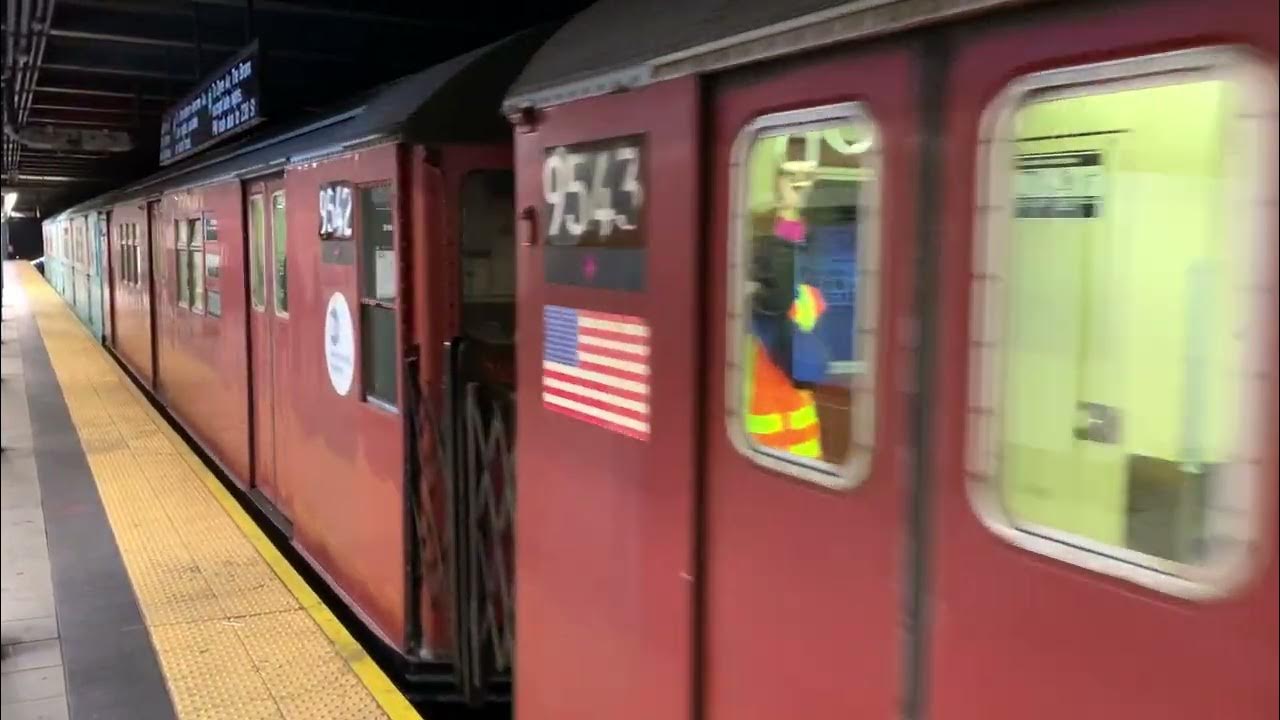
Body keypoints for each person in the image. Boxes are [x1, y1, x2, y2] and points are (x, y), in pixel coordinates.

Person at [743, 155, 831, 460]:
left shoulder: (810, 284)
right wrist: (789, 209)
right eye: (789, 176)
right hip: (763, 442)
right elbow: (777, 290)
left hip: (803, 445)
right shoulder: (762, 301)